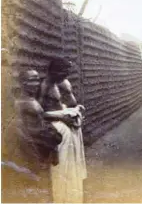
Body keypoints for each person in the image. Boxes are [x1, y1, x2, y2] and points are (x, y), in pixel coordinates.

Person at [10, 69, 74, 202]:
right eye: (31, 80)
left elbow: (41, 124)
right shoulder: (20, 104)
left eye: (37, 79)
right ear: (22, 83)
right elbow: (21, 133)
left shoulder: (32, 100)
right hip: (35, 152)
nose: (36, 83)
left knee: (47, 189)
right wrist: (34, 157)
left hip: (44, 149)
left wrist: (53, 144)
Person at [39, 58, 87, 203]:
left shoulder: (61, 83)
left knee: (73, 166)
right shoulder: (44, 86)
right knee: (62, 166)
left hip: (69, 126)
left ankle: (73, 196)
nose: (66, 76)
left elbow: (69, 102)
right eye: (64, 72)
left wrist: (76, 110)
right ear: (55, 71)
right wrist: (62, 117)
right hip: (58, 129)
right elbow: (40, 112)